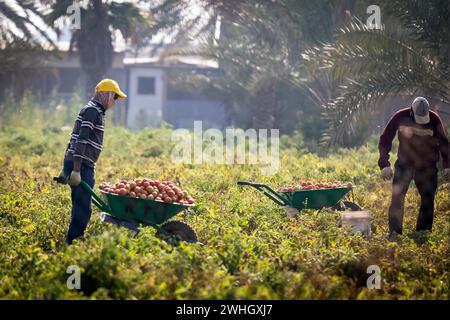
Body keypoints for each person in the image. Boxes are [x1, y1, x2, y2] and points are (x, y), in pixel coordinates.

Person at [57, 79, 127, 244]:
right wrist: (74, 170)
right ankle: (73, 243)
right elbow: (80, 140)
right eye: (114, 97)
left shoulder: (95, 111)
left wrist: (65, 168)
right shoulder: (93, 111)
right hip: (81, 166)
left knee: (80, 205)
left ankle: (73, 240)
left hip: (77, 164)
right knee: (82, 208)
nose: (114, 102)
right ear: (104, 94)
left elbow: (72, 138)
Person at [378, 97, 450, 240]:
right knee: (397, 197)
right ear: (411, 111)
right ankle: (394, 234)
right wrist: (384, 164)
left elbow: (444, 143)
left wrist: (447, 165)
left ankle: (422, 234)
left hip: (428, 166)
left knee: (428, 199)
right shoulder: (400, 117)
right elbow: (385, 139)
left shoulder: (434, 120)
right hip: (405, 163)